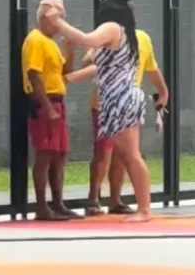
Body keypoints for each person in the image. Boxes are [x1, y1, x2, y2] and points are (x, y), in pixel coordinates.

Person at [43, 0, 154, 223]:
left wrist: (57, 22)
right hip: (118, 97)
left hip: (120, 98)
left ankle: (144, 209)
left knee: (131, 155)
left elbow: (86, 39)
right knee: (128, 154)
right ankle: (143, 207)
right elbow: (101, 68)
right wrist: (71, 77)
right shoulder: (126, 34)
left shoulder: (113, 27)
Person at [71, 28, 168, 217]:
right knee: (105, 151)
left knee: (125, 154)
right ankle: (94, 199)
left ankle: (116, 200)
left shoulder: (142, 38)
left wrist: (163, 92)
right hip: (104, 103)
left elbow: (151, 67)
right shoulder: (106, 34)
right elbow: (89, 63)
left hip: (128, 103)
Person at [22, 0, 81, 221]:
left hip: (57, 101)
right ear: (45, 18)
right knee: (45, 154)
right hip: (45, 103)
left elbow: (65, 72)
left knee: (59, 154)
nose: (60, 24)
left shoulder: (51, 42)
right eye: (57, 19)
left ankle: (58, 203)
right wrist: (47, 108)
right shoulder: (35, 40)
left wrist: (70, 51)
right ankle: (42, 206)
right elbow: (33, 74)